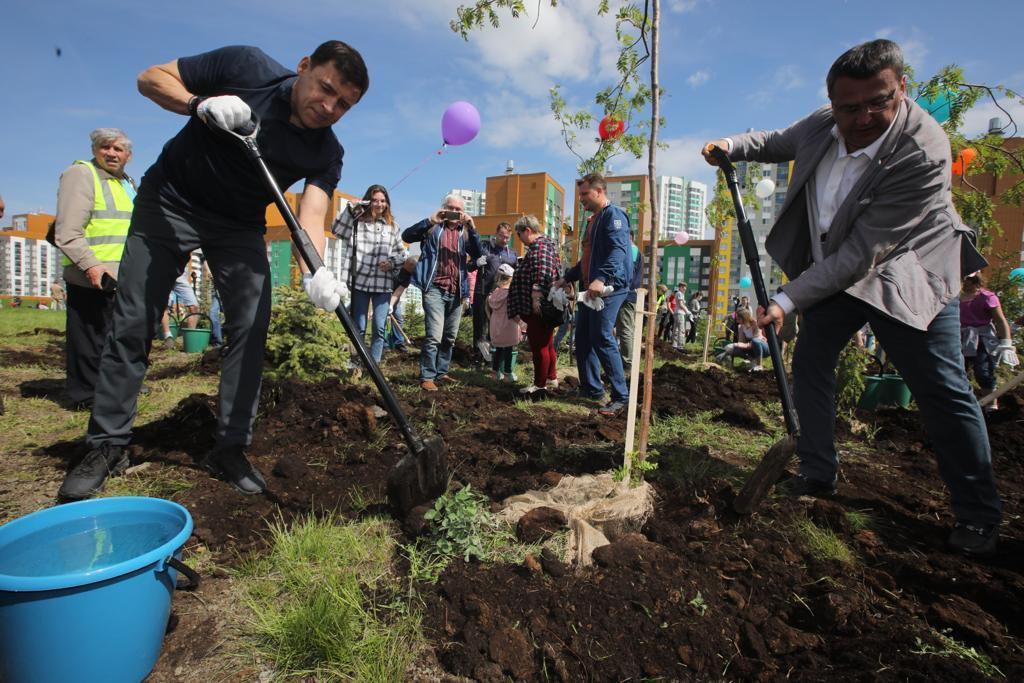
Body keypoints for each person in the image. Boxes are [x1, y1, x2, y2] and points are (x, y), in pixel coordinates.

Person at [702, 38, 1004, 556]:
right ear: (833, 101)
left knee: (941, 388)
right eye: (849, 107)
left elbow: (865, 252)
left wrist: (786, 299)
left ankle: (978, 514)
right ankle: (817, 472)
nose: (864, 116)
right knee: (812, 363)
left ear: (901, 89)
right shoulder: (826, 121)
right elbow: (776, 141)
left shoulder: (923, 149)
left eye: (878, 102)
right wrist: (730, 146)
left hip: (907, 270)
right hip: (836, 267)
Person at [58, 41, 368, 501]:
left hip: (238, 224)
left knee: (250, 322)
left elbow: (312, 217)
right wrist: (199, 104)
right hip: (171, 201)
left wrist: (317, 273)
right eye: (324, 88)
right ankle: (107, 445)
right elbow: (150, 77)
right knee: (134, 319)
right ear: (303, 67)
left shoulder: (326, 150)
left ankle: (229, 448)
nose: (328, 106)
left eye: (343, 104)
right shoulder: (247, 67)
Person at [53, 128, 136, 411]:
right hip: (93, 272)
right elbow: (67, 232)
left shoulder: (126, 183)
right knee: (89, 336)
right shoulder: (82, 175)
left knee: (115, 334)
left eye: (118, 149)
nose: (111, 153)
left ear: (129, 156)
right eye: (105, 147)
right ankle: (84, 394)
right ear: (94, 150)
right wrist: (91, 265)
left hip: (122, 273)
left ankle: (112, 387)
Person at [555, 174, 633, 416]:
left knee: (601, 335)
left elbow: (618, 251)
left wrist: (602, 278)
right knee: (584, 338)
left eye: (584, 195)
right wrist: (568, 277)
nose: (581, 200)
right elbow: (586, 260)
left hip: (610, 288)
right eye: (579, 195)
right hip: (590, 290)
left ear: (599, 191)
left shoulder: (614, 216)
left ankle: (622, 397)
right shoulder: (593, 221)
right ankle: (592, 389)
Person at [402, 194, 483, 391]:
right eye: (451, 208)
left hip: (456, 290)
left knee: (449, 337)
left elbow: (479, 254)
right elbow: (406, 236)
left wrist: (472, 228)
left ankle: (442, 372)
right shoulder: (433, 228)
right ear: (443, 208)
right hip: (434, 288)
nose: (454, 212)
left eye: (458, 209)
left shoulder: (465, 233)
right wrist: (430, 220)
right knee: (434, 336)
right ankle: (427, 376)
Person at [334, 185, 407, 364]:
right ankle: (355, 362)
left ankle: (374, 366)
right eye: (375, 200)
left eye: (382, 201)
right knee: (358, 326)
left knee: (379, 327)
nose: (379, 204)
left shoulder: (392, 226)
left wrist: (391, 263)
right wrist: (349, 210)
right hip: (360, 281)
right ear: (368, 201)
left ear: (387, 203)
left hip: (383, 284)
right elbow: (337, 231)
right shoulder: (357, 222)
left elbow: (402, 254)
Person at [509, 215, 562, 394]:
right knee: (547, 343)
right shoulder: (544, 246)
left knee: (539, 345)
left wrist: (536, 296)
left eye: (518, 234)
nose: (519, 239)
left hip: (538, 306)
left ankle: (540, 385)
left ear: (528, 231)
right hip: (543, 305)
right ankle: (551, 377)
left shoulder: (540, 247)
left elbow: (543, 272)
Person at [959, 272, 1018, 410]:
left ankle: (991, 405)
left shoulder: (987, 297)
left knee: (983, 371)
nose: (964, 282)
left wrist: (1006, 344)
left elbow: (1000, 320)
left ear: (974, 280)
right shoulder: (955, 298)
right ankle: (963, 404)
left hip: (982, 340)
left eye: (967, 279)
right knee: (958, 372)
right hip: (960, 339)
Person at [467, 221, 517, 365]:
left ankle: (493, 360)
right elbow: (469, 267)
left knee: (496, 328)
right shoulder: (485, 247)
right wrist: (476, 263)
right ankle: (479, 358)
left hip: (502, 296)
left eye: (508, 237)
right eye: (502, 236)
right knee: (480, 327)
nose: (505, 239)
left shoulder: (512, 254)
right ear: (496, 233)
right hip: (482, 293)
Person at [487, 263, 522, 382]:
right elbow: (515, 312)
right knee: (508, 350)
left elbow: (490, 306)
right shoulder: (511, 294)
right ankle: (508, 374)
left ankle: (494, 373)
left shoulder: (495, 292)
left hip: (496, 325)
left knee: (498, 350)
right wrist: (522, 324)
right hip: (509, 325)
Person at [616, 238, 645, 376]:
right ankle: (627, 363)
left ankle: (628, 365)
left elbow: (628, 273)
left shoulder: (632, 250)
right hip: (629, 295)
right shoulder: (633, 250)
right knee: (626, 329)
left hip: (626, 295)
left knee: (626, 329)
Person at [387, 257, 417, 352]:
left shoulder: (409, 276)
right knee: (382, 318)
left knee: (398, 318)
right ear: (407, 263)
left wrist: (391, 305)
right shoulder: (397, 262)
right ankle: (383, 343)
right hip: (382, 291)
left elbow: (399, 291)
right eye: (409, 267)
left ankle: (398, 343)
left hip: (395, 294)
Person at [670, 282, 689, 351]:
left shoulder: (679, 294)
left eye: (685, 287)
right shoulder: (680, 293)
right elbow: (681, 304)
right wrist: (687, 311)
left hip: (677, 313)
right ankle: (680, 346)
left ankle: (674, 345)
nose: (685, 288)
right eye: (684, 287)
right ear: (680, 287)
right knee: (681, 330)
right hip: (680, 314)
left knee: (676, 329)